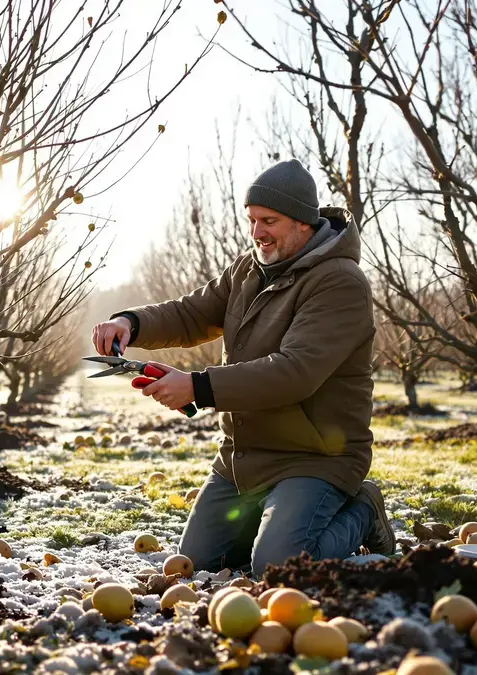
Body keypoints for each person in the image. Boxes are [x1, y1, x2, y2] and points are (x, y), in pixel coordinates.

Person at [91, 159, 394, 576]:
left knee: (279, 568)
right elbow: (191, 314)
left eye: (269, 221)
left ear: (303, 222)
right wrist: (131, 322)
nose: (256, 232)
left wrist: (197, 387)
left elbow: (296, 371)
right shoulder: (248, 269)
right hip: (244, 457)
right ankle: (273, 519)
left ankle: (363, 510)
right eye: (251, 220)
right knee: (199, 562)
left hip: (314, 458)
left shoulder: (340, 282)